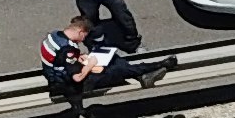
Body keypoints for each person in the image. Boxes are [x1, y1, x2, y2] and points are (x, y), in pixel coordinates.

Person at [39, 14, 173, 99]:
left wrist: (79, 59)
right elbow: (77, 78)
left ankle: (143, 73)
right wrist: (90, 64)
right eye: (84, 36)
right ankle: (157, 66)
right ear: (80, 31)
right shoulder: (68, 49)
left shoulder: (55, 35)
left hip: (56, 77)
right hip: (69, 86)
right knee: (116, 69)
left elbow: (59, 60)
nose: (82, 40)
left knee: (113, 60)